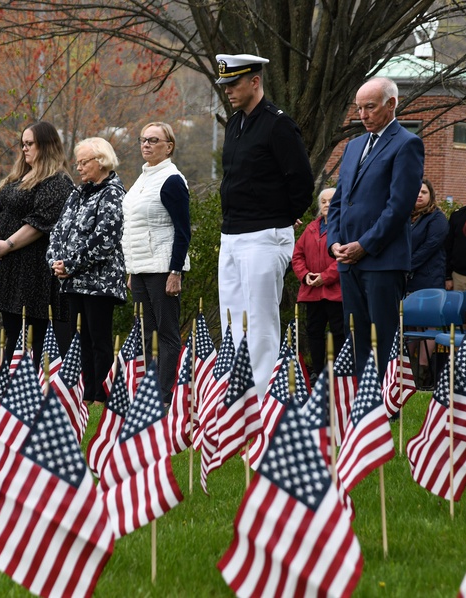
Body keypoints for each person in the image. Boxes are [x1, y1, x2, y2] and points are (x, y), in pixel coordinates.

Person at [214, 53, 313, 397]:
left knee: (260, 322)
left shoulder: (278, 124)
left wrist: (284, 215)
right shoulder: (236, 123)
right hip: (233, 234)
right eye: (224, 85)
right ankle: (237, 394)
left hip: (264, 235)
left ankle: (264, 398)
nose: (228, 91)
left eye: (234, 83)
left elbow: (301, 179)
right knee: (232, 319)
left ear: (254, 81)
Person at [327, 76, 425, 377]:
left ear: (391, 104)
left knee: (382, 338)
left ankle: (384, 407)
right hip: (347, 260)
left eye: (370, 107)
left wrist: (364, 245)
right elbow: (338, 201)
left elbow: (398, 207)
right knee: (355, 336)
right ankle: (361, 407)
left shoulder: (407, 144)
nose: (363, 115)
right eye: (358, 109)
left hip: (382, 261)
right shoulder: (354, 146)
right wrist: (334, 242)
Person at [0, 122, 74, 363]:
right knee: (11, 329)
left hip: (32, 269)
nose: (24, 149)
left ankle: (23, 385)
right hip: (8, 265)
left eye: (30, 144)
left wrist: (7, 244)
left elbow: (39, 224)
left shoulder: (58, 182)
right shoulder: (19, 177)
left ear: (46, 145)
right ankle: (9, 382)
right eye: (23, 144)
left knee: (30, 334)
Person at [48, 138, 126, 403]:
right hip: (71, 281)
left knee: (98, 341)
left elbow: (106, 238)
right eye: (78, 162)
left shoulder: (113, 193)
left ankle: (100, 395)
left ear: (101, 161)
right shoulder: (77, 193)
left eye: (84, 162)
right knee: (77, 340)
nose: (78, 168)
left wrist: (71, 264)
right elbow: (58, 231)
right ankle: (82, 394)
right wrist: (56, 261)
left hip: (99, 284)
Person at [122, 122, 191, 395]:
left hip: (163, 268)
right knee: (145, 332)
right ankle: (147, 390)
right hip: (140, 268)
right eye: (143, 139)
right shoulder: (143, 178)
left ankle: (164, 395)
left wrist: (175, 271)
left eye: (153, 140)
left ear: (168, 146)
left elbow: (183, 230)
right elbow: (134, 228)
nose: (146, 144)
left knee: (166, 333)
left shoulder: (172, 179)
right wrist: (131, 270)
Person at [291, 188, 344, 378]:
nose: (327, 205)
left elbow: (344, 257)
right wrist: (305, 275)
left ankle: (338, 372)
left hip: (336, 291)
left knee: (339, 331)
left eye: (331, 201)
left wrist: (326, 276)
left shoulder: (344, 227)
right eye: (323, 201)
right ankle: (318, 372)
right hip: (312, 290)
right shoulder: (311, 228)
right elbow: (297, 255)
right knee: (314, 331)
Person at [408, 179, 449, 292]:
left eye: (424, 192)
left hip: (428, 279)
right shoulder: (405, 217)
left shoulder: (437, 218)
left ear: (431, 195)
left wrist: (407, 265)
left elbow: (430, 246)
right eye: (416, 191)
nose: (419, 195)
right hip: (407, 280)